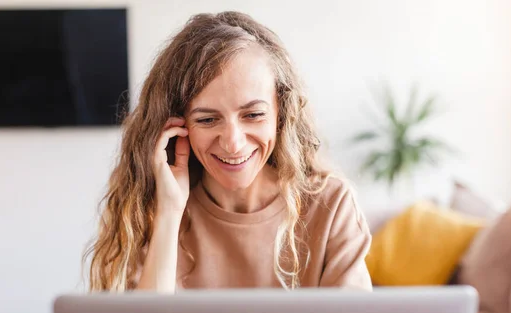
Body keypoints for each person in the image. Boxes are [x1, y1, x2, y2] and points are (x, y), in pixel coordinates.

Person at [85, 11, 372, 293]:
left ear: (281, 113)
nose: (233, 144)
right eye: (207, 120)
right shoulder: (151, 208)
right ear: (178, 126)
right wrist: (170, 213)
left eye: (253, 115)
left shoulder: (331, 205)